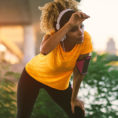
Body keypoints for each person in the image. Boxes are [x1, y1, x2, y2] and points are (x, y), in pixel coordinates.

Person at [16, 0, 93, 118]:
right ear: (64, 31)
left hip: (59, 83)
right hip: (32, 76)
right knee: (23, 115)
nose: (80, 32)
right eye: (73, 29)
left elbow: (80, 72)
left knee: (78, 113)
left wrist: (74, 98)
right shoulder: (53, 36)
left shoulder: (86, 40)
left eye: (81, 26)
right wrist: (68, 25)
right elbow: (44, 50)